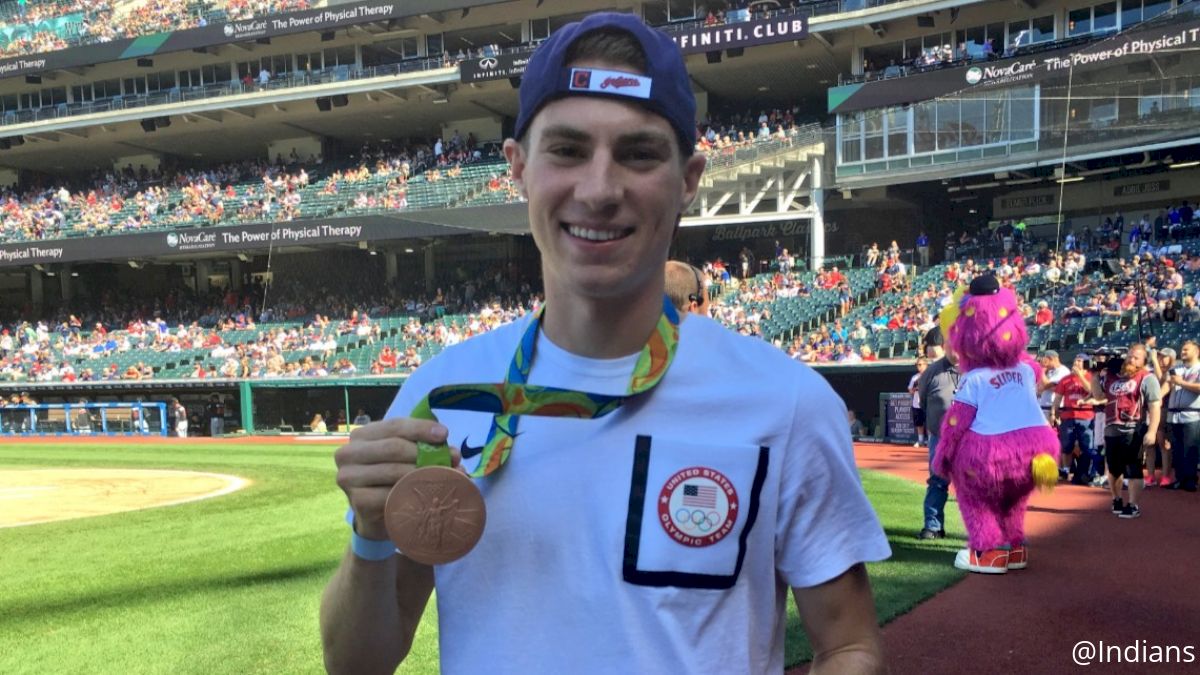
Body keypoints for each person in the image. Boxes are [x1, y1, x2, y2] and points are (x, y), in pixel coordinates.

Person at [320, 13, 890, 674]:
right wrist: (370, 535)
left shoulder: (785, 402)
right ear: (519, 168)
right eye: (567, 150)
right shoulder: (444, 396)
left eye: (638, 153)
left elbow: (849, 644)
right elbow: (356, 664)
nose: (599, 190)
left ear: (689, 178)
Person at [1090, 344, 1162, 518]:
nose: (1131, 359)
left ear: (1144, 361)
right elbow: (1099, 396)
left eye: (1136, 357)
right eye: (1130, 356)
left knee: (1133, 468)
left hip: (1133, 428)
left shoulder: (1147, 378)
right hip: (1111, 428)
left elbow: (1154, 406)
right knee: (1114, 469)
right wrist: (1095, 375)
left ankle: (1133, 504)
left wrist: (1152, 431)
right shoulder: (1112, 376)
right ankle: (1116, 498)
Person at [917, 327, 958, 540]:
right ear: (945, 347)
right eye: (951, 345)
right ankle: (933, 526)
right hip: (940, 437)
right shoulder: (932, 371)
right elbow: (923, 402)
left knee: (976, 484)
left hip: (970, 439)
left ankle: (981, 531)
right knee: (937, 481)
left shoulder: (977, 370)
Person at [1049, 355, 1101, 486]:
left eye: (1079, 360)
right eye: (1075, 360)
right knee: (1066, 445)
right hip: (1068, 415)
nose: (1076, 363)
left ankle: (1085, 472)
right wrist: (1053, 412)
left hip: (1086, 415)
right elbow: (1058, 397)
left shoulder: (1091, 376)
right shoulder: (1065, 380)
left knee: (1087, 446)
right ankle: (1066, 470)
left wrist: (1081, 376)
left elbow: (1093, 391)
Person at [1166, 340, 1200, 491]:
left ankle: (1191, 479)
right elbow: (1167, 386)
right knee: (1176, 449)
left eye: (1187, 349)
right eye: (1182, 349)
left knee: (1190, 448)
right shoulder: (1176, 368)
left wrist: (1182, 383)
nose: (1183, 352)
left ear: (1197, 351)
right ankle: (1179, 478)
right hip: (1174, 415)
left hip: (1192, 414)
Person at [1036, 351, 1070, 477]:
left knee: (1055, 439)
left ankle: (1059, 467)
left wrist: (1042, 372)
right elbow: (1040, 388)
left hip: (1055, 409)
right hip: (1042, 407)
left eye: (1045, 359)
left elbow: (1052, 387)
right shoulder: (1049, 372)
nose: (1042, 362)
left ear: (1051, 359)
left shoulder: (1063, 371)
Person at [909, 357, 928, 447]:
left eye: (920, 364)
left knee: (929, 424)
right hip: (916, 404)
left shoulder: (930, 376)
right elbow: (910, 390)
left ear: (926, 365)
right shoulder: (914, 377)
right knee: (919, 423)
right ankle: (920, 441)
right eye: (917, 365)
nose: (919, 367)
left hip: (928, 404)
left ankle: (930, 441)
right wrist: (915, 389)